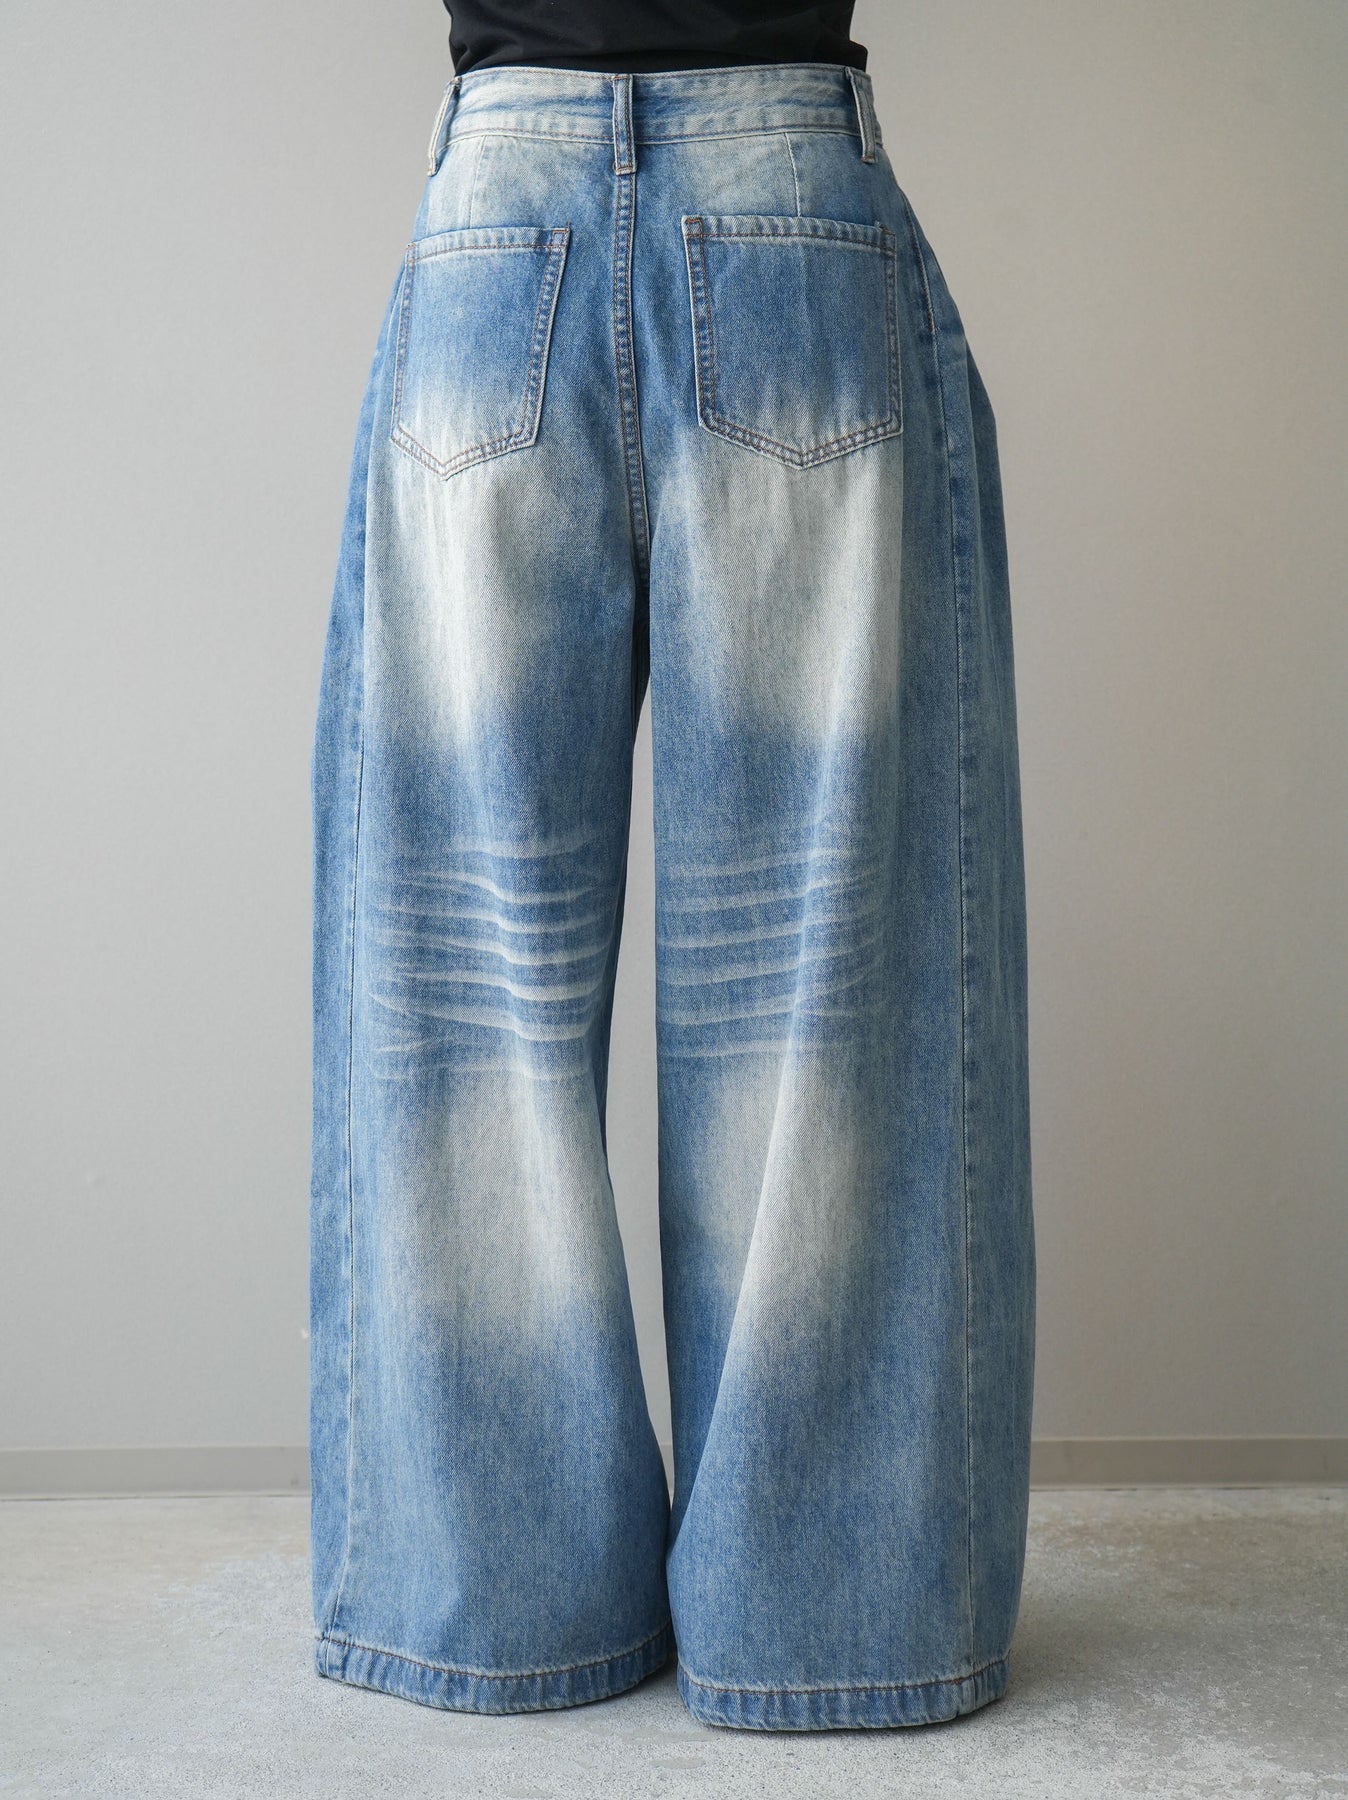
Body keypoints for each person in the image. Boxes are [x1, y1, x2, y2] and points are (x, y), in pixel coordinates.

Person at [308, 0, 1035, 1733]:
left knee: (463, 992)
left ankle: (493, 1599)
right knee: (833, 987)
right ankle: (830, 1620)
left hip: (499, 223)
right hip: (793, 199)